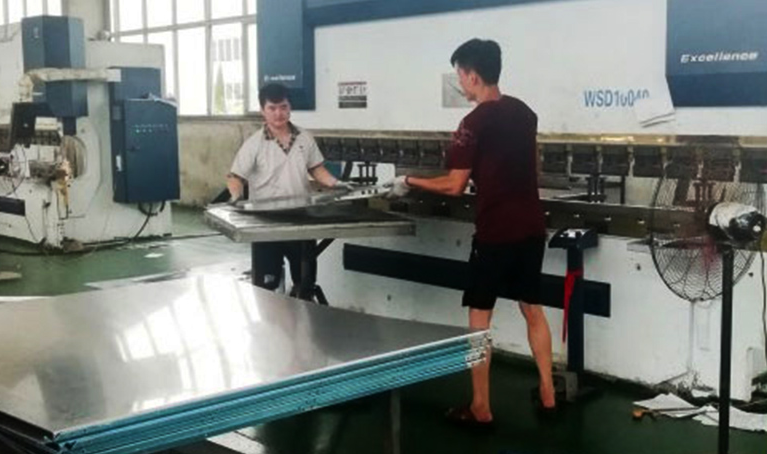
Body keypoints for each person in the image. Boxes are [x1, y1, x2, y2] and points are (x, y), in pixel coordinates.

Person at [386, 39, 556, 425]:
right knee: (532, 308)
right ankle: (548, 393)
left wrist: (408, 180)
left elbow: (454, 185)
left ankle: (481, 407)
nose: (460, 82)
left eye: (460, 75)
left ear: (473, 75)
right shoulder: (525, 113)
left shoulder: (471, 125)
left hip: (495, 233)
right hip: (532, 227)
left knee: (480, 318)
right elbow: (529, 168)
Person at [228, 82, 349, 294]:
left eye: (283, 107)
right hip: (265, 223)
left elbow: (316, 168)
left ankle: (303, 313)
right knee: (266, 287)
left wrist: (336, 183)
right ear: (262, 111)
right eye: (272, 108)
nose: (278, 113)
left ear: (290, 107)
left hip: (300, 220)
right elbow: (235, 177)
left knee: (305, 283)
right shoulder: (254, 144)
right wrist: (236, 196)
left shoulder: (304, 138)